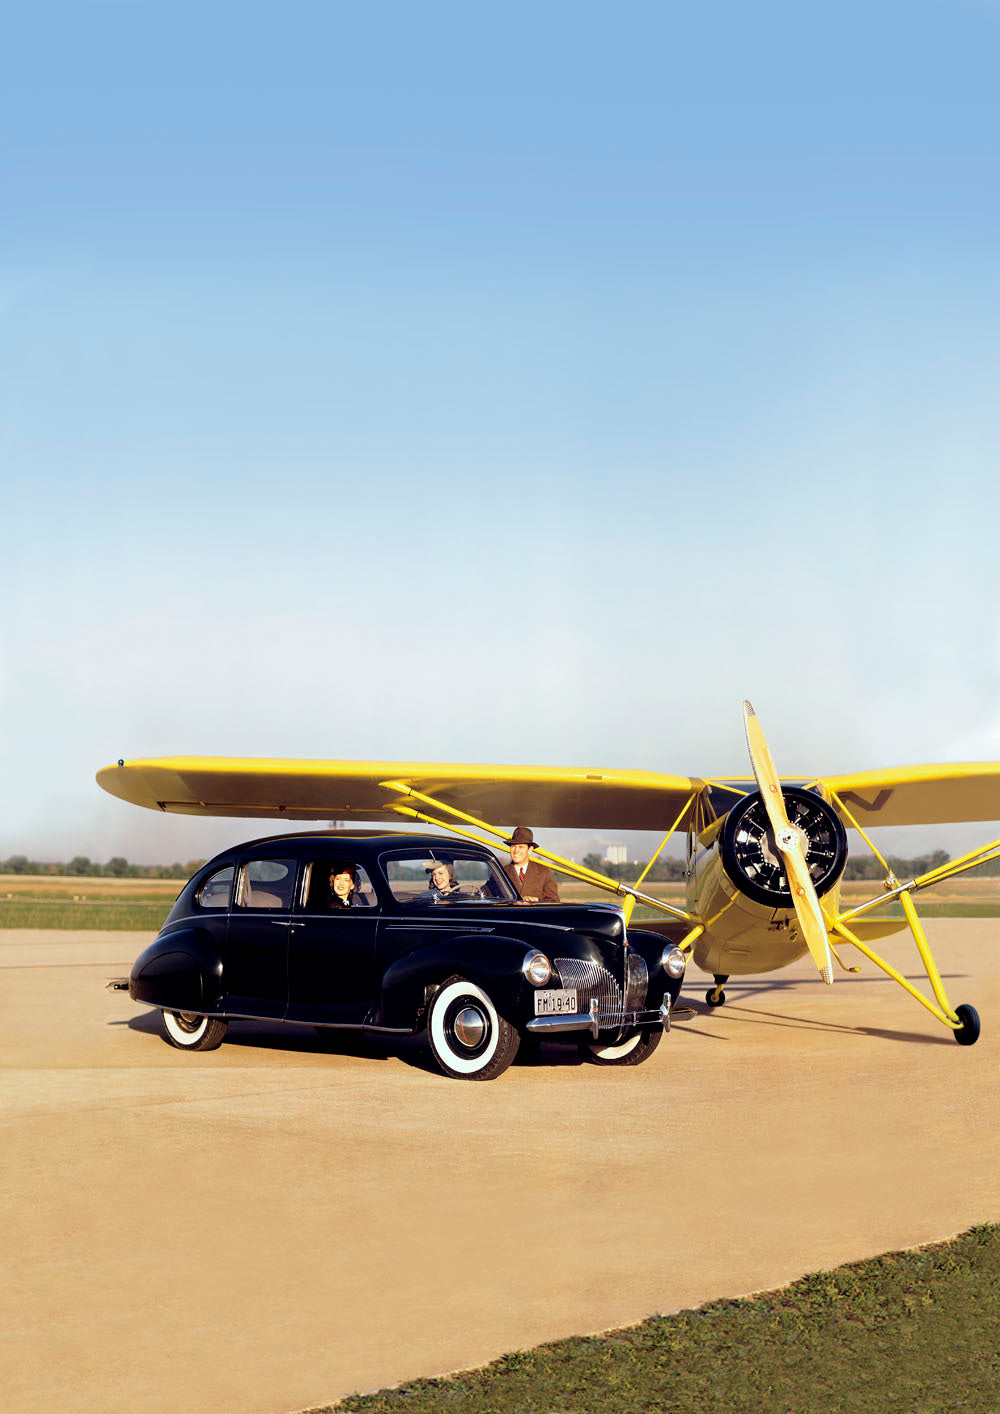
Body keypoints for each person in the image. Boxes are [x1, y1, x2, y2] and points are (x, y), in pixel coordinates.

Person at [504, 826, 560, 903]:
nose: (516, 851)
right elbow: (487, 895)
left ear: (530, 850)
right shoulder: (500, 872)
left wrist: (537, 901)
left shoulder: (544, 872)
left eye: (521, 847)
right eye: (513, 846)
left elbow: (554, 901)